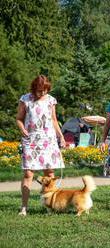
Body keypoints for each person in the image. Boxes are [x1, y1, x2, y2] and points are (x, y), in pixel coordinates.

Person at [16, 75, 65, 216]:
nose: (42, 93)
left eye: (45, 90)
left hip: (48, 140)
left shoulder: (51, 100)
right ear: (34, 88)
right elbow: (19, 119)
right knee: (28, 173)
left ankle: (50, 206)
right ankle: (24, 207)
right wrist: (22, 129)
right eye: (39, 90)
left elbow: (54, 120)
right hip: (30, 140)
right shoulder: (25, 99)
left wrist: (61, 137)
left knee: (49, 173)